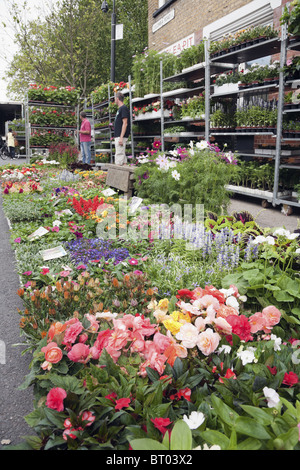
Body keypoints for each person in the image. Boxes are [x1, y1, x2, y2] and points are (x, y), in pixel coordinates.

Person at [114, 91, 130, 166]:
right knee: (122, 156)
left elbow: (125, 123)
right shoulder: (120, 109)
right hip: (119, 135)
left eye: (114, 98)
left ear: (117, 99)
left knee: (119, 155)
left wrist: (121, 137)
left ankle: (118, 174)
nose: (114, 100)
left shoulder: (123, 108)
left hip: (121, 136)